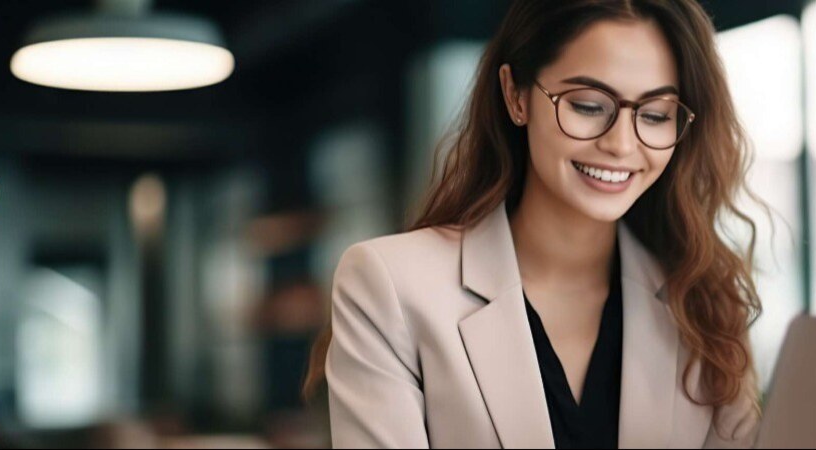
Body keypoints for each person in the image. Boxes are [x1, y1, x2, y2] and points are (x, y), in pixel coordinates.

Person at [306, 0, 763, 447]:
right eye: (587, 105)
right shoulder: (390, 285)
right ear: (516, 95)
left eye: (656, 115)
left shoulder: (704, 306)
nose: (622, 145)